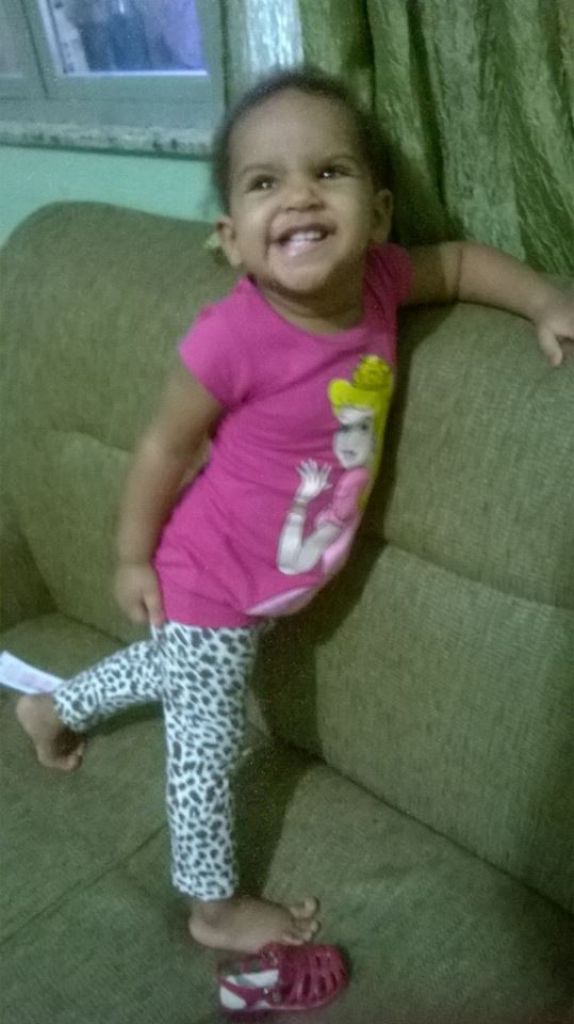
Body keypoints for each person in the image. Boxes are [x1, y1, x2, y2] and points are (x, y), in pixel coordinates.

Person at [16, 67, 574, 956]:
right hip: (211, 575)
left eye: (330, 171)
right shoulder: (230, 338)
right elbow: (163, 449)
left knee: (176, 670)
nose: (301, 196)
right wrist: (130, 557)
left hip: (274, 581)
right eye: (265, 181)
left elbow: (464, 263)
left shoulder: (382, 282)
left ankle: (53, 710)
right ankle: (211, 907)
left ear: (379, 214)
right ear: (232, 238)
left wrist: (545, 298)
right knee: (206, 743)